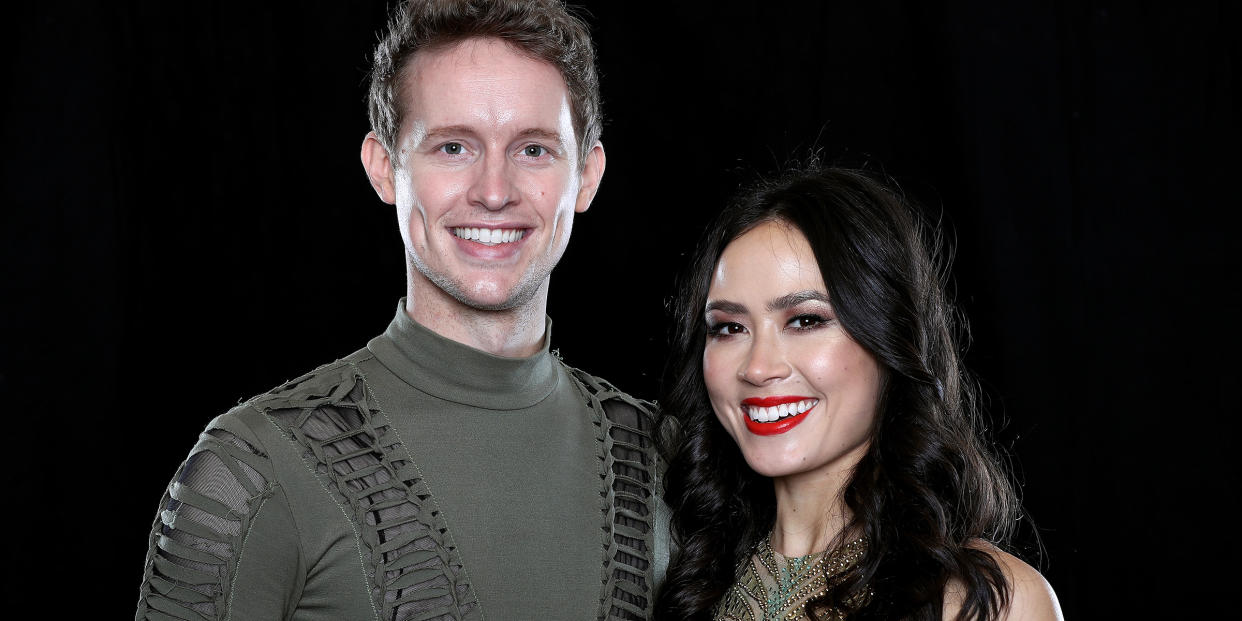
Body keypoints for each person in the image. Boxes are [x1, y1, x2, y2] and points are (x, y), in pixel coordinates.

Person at [134, 1, 666, 619]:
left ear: (587, 176)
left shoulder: (664, 461)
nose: (494, 192)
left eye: (534, 150)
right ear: (384, 169)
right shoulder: (250, 470)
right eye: (452, 148)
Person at [654, 165, 1063, 620]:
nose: (758, 367)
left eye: (806, 320)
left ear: (889, 337)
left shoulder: (985, 601)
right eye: (730, 328)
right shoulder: (679, 572)